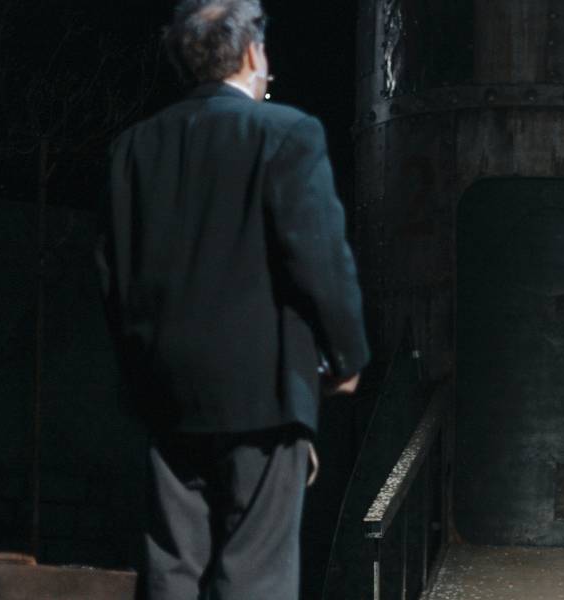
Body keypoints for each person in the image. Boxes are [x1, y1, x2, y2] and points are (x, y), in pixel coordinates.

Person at [94, 1, 369, 597]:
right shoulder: (287, 133)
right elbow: (319, 258)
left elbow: (113, 276)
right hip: (263, 392)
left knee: (172, 568)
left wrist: (140, 372)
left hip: (165, 394)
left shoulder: (132, 148)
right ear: (251, 53)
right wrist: (345, 358)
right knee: (254, 574)